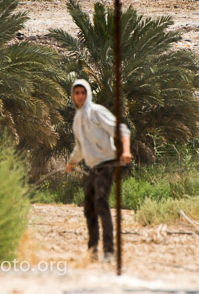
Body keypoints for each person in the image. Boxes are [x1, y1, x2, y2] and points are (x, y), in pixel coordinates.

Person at [65, 79, 132, 262]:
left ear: (88, 94)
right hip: (94, 167)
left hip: (108, 163)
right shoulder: (77, 119)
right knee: (89, 207)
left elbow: (121, 130)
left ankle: (109, 252)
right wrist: (72, 163)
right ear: (73, 95)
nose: (80, 96)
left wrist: (125, 150)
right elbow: (80, 147)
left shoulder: (96, 111)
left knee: (101, 202)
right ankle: (92, 250)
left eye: (83, 92)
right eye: (76, 93)